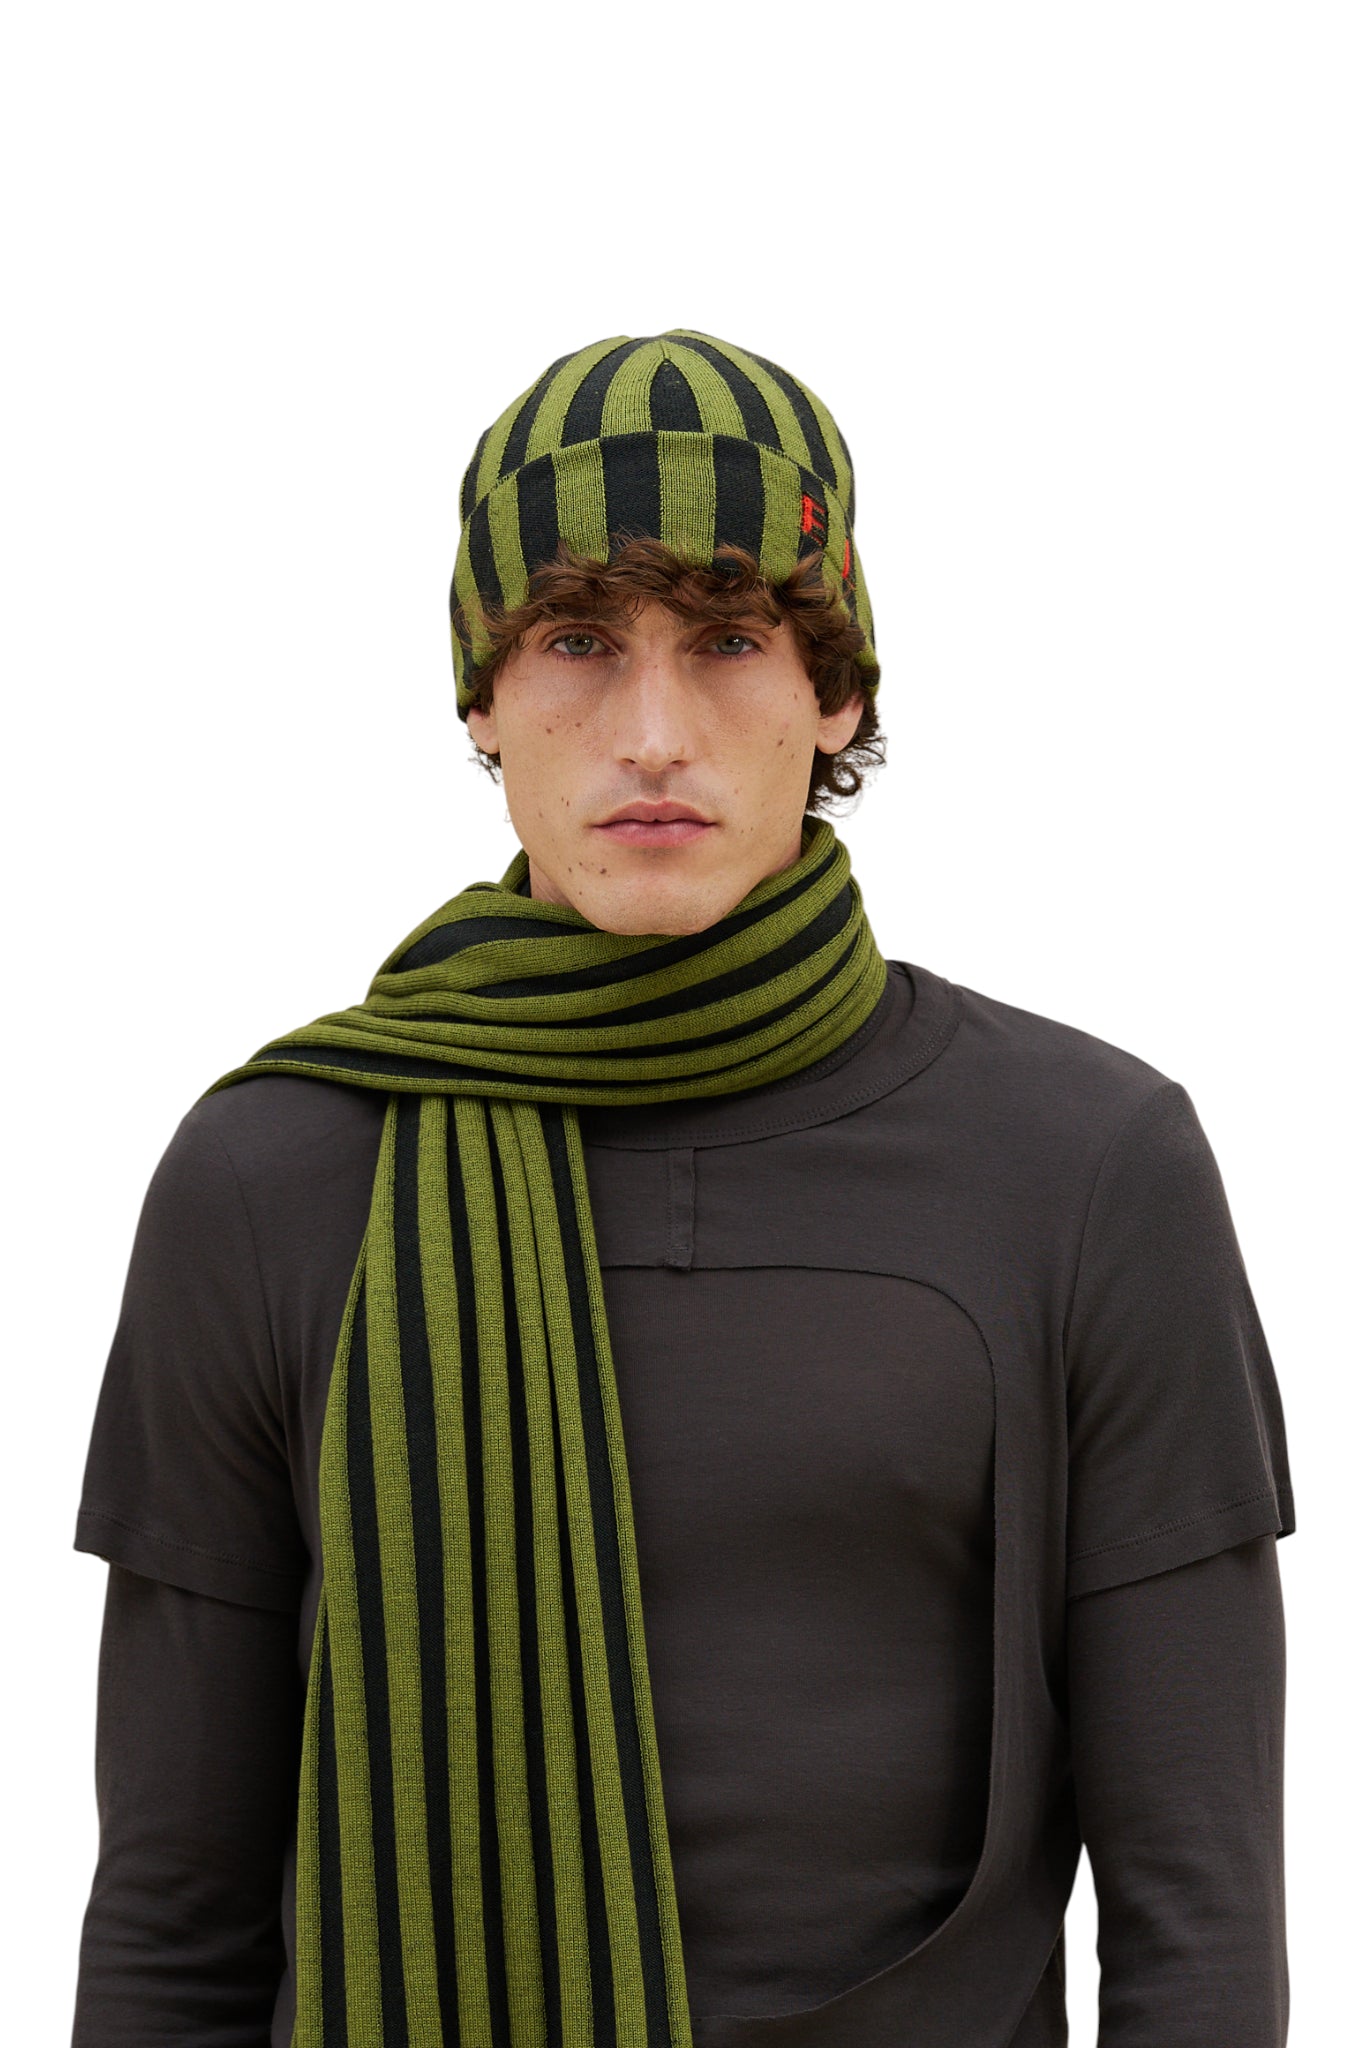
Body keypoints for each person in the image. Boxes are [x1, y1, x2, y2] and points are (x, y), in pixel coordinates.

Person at [70, 331, 1296, 2048]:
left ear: (835, 691)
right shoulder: (271, 1177)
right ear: (480, 700)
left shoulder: (1086, 1165)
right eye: (577, 642)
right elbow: (171, 1921)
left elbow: (1199, 1917)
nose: (652, 735)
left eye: (728, 642)